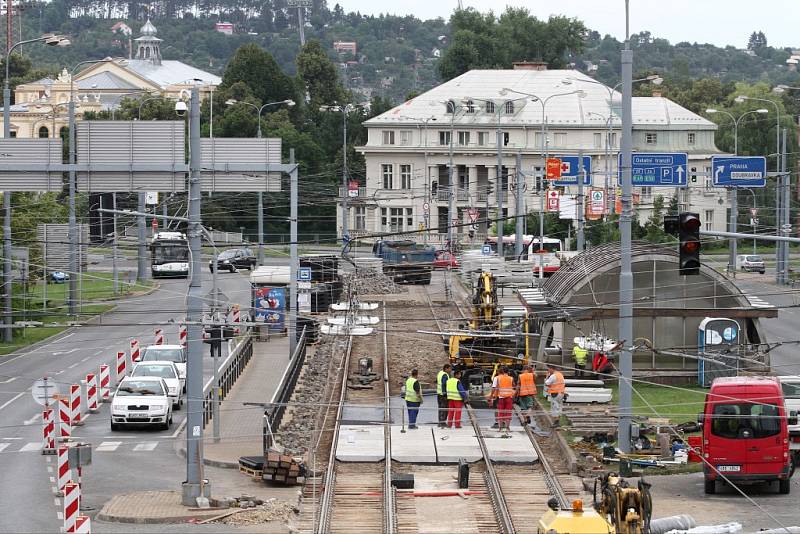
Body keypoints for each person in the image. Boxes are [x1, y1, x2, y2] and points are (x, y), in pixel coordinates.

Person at [491, 366, 515, 434]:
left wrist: (492, 396)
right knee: (508, 413)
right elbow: (514, 386)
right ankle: (507, 428)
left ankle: (500, 428)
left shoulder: (498, 378)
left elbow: (495, 388)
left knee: (500, 412)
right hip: (509, 397)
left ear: (502, 371)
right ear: (508, 372)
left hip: (501, 397)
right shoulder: (511, 378)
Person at [436, 364, 452, 428]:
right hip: (443, 395)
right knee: (444, 408)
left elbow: (437, 381)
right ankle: (442, 423)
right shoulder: (445, 375)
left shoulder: (440, 373)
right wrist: (445, 392)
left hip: (439, 394)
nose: (450, 370)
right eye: (449, 369)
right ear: (446, 368)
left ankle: (440, 422)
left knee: (440, 408)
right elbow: (444, 384)